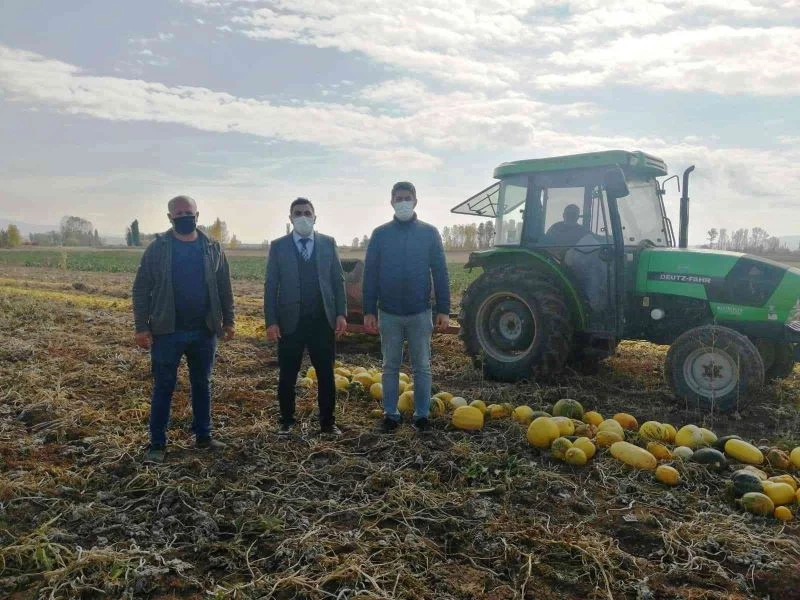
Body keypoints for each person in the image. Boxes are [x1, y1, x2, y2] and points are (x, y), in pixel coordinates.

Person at [133, 195, 235, 464]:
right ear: (170, 218)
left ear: (197, 215)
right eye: (178, 214)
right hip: (167, 331)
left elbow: (224, 286)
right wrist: (141, 327)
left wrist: (229, 320)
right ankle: (157, 443)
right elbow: (141, 289)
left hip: (205, 331)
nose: (184, 217)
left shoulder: (212, 247)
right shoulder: (158, 249)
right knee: (164, 386)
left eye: (188, 212)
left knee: (202, 384)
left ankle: (203, 436)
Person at [363, 181, 450, 433]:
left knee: (422, 366)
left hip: (420, 312)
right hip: (388, 312)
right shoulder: (380, 234)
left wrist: (443, 309)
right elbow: (370, 274)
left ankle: (422, 415)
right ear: (391, 202)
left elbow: (440, 272)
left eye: (407, 198)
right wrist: (369, 310)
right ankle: (391, 414)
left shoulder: (429, 233)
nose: (403, 202)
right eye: (398, 198)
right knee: (390, 365)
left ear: (415, 201)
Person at [265, 198, 347, 436]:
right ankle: (287, 421)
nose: (303, 217)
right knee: (287, 374)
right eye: (298, 213)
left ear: (315, 217)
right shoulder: (279, 246)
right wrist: (271, 321)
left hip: (322, 321)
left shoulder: (328, 243)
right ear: (290, 219)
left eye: (307, 213)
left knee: (326, 374)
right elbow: (271, 285)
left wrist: (341, 313)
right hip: (290, 322)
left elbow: (338, 280)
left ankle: (327, 423)